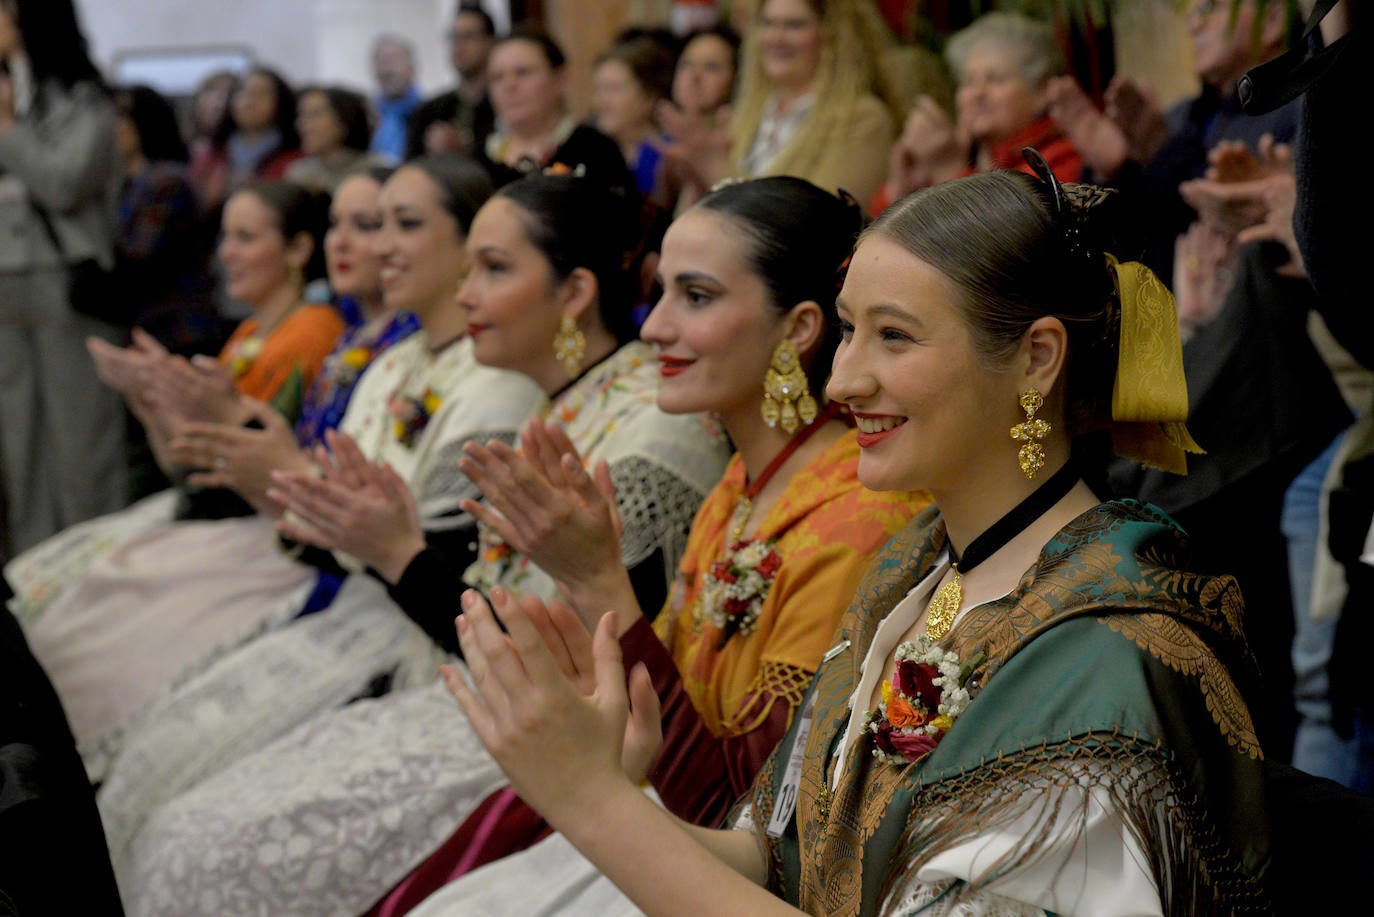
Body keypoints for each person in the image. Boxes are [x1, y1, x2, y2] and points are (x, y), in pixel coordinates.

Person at [443, 158, 1272, 914]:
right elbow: (779, 859)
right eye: (847, 330)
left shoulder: (1108, 651)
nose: (842, 380)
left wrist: (595, 801)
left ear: (1036, 358)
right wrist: (590, 784)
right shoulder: (914, 569)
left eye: (895, 336)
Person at [115, 171, 732, 917]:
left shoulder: (648, 430)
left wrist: (395, 552)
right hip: (464, 683)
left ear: (574, 292)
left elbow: (597, 664)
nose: (465, 293)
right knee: (172, 793)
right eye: (468, 268)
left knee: (207, 848)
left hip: (563, 737)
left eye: (493, 269)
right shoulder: (550, 397)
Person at [370, 176, 930, 916]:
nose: (656, 327)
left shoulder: (860, 519)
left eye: (695, 297)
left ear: (798, 328)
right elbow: (652, 728)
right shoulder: (741, 483)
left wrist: (597, 583)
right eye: (660, 292)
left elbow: (743, 812)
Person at [90, 157, 549, 876]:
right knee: (148, 747)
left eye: (401, 224)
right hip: (343, 600)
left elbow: (427, 559)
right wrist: (239, 446)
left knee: (193, 827)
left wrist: (282, 472)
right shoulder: (392, 362)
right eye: (368, 224)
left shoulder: (493, 384)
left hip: (407, 638)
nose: (376, 246)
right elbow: (314, 527)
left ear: (468, 241)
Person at [16, 178, 347, 769]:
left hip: (257, 533)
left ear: (298, 249)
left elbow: (228, 481)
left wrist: (189, 412)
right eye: (225, 237)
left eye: (246, 238)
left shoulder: (310, 333)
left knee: (102, 616)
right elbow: (183, 467)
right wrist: (148, 401)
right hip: (218, 514)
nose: (227, 253)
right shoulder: (251, 333)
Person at [0, 0, 128, 559]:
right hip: (5, 281)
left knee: (82, 438)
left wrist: (7, 128)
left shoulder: (84, 100)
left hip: (65, 281)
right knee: (19, 444)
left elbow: (64, 183)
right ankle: (36, 569)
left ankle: (96, 565)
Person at [661, 0, 905, 206]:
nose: (776, 38)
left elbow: (822, 224)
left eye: (794, 25)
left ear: (833, 35)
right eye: (767, 23)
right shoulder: (748, 113)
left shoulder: (864, 119)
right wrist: (696, 183)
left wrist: (720, 174)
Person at [872, 10, 1082, 215]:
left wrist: (949, 168)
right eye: (968, 82)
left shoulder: (1063, 159)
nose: (976, 93)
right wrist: (900, 189)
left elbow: (1000, 232)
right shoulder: (972, 156)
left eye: (995, 79)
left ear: (1042, 91)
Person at [477, 23, 632, 192]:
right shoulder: (476, 161)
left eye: (523, 72)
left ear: (560, 79)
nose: (509, 85)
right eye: (497, 77)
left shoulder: (596, 150)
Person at [186, 65, 303, 235]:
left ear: (280, 100)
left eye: (262, 94)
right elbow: (192, 207)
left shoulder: (295, 156)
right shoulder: (210, 154)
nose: (249, 102)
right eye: (243, 93)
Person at [590, 34, 677, 210]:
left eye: (614, 88)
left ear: (650, 96)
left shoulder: (668, 154)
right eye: (598, 89)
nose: (602, 101)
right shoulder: (593, 152)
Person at [406, 2, 497, 160]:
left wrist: (465, 150)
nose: (458, 46)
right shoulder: (429, 111)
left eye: (468, 36)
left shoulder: (504, 105)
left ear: (490, 42)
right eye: (453, 37)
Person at [285, 84, 388, 194]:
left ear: (345, 118)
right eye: (301, 115)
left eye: (314, 114)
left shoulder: (377, 169)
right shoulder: (300, 174)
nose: (303, 125)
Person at [369, 33, 423, 164]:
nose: (387, 70)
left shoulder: (428, 112)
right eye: (381, 62)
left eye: (394, 61)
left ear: (412, 69)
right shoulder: (368, 116)